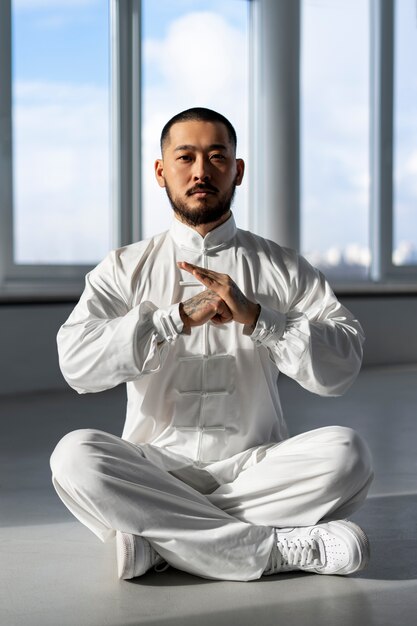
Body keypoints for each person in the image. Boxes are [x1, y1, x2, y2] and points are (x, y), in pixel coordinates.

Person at [50, 107, 373, 582]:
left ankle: (157, 538)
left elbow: (343, 364)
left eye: (217, 156)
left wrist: (261, 318)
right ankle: (276, 549)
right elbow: (76, 363)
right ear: (161, 171)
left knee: (349, 454)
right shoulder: (123, 268)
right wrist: (172, 320)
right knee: (74, 458)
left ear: (237, 170)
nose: (201, 171)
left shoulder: (283, 267)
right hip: (153, 467)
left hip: (256, 467)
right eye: (186, 157)